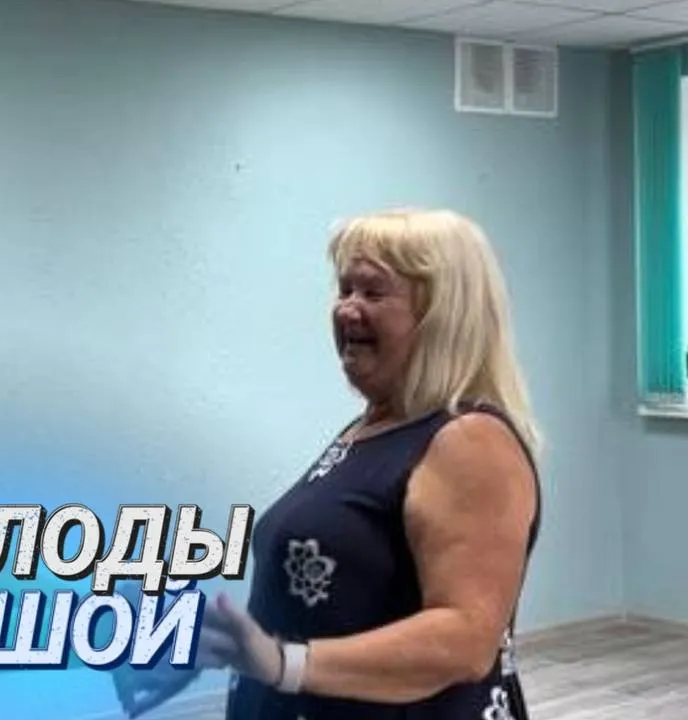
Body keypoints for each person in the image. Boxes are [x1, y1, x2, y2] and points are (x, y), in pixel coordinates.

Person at [133, 208, 542, 719]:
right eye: (344, 290)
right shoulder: (370, 432)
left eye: (372, 292)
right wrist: (220, 647)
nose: (347, 309)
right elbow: (327, 606)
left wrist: (285, 663)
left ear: (442, 315)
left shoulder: (470, 441)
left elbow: (465, 640)